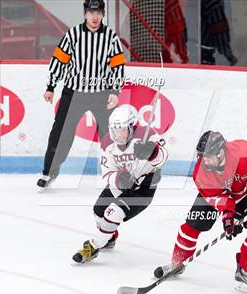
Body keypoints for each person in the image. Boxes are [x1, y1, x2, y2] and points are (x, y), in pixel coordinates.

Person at [154, 131, 247, 293]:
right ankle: (177, 263)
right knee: (191, 227)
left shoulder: (243, 151)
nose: (205, 161)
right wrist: (228, 218)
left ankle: (244, 269)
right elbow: (219, 199)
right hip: (213, 195)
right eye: (202, 156)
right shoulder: (201, 172)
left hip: (245, 193)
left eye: (209, 156)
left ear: (221, 152)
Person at [37, 0, 125, 188]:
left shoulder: (110, 37)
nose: (95, 17)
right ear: (85, 13)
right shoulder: (73, 35)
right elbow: (59, 60)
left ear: (102, 14)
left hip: (101, 94)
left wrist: (115, 91)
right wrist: (51, 86)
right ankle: (48, 173)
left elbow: (117, 66)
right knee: (60, 133)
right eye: (91, 13)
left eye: (98, 13)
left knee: (111, 134)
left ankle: (117, 173)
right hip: (73, 93)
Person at [72, 105, 168, 263]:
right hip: (122, 184)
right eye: (115, 130)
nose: (118, 135)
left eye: (122, 130)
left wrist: (152, 152)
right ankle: (109, 237)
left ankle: (93, 247)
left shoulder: (147, 135)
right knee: (98, 212)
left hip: (144, 187)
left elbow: (163, 157)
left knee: (113, 212)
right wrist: (119, 179)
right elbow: (107, 171)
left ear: (132, 127)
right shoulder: (107, 143)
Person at [201, 0, 237, 65]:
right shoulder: (213, 3)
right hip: (204, 56)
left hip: (198, 53)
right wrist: (229, 56)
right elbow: (220, 31)